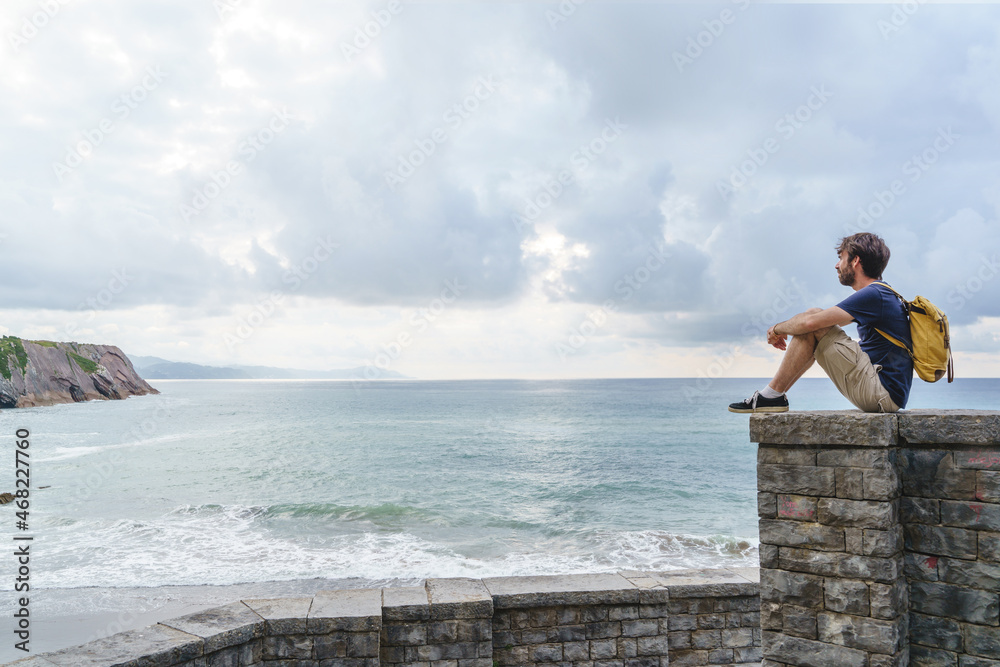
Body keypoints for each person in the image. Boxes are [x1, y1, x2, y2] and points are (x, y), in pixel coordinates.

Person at [729, 232, 913, 414]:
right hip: (882, 393)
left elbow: (811, 322)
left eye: (841, 258)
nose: (836, 265)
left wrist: (776, 329)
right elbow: (817, 325)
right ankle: (773, 396)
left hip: (879, 392)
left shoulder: (875, 294)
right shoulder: (881, 295)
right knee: (812, 324)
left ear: (855, 261)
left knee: (812, 318)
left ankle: (770, 396)